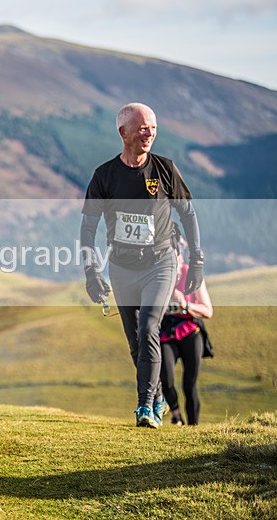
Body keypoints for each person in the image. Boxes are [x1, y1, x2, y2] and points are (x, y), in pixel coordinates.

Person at [80, 103, 205, 428]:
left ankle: (145, 407)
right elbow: (88, 229)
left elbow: (188, 214)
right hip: (121, 268)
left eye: (153, 127)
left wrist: (196, 259)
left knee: (149, 327)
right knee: (136, 343)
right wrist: (91, 271)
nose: (148, 133)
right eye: (142, 127)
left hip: (161, 264)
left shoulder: (164, 169)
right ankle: (159, 395)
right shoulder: (104, 176)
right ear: (123, 133)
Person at [159, 227, 213, 425]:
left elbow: (208, 311)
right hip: (167, 332)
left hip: (191, 331)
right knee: (166, 378)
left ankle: (193, 426)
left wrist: (186, 305)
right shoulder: (161, 277)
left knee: (189, 385)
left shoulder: (192, 275)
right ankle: (175, 414)